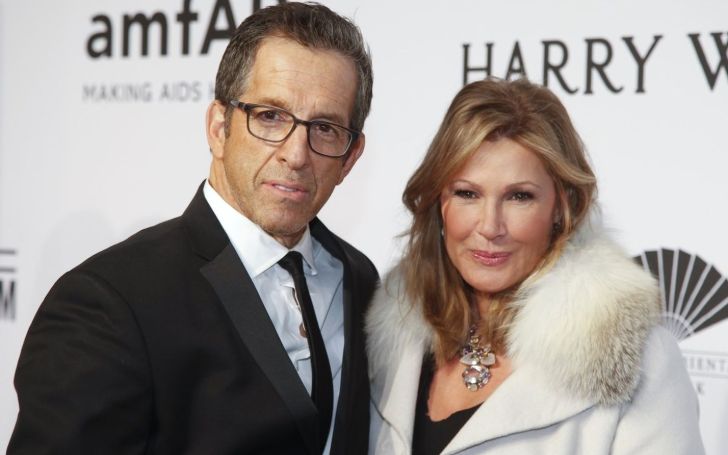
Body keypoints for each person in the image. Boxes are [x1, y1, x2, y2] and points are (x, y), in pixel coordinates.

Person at [9, 3, 376, 454]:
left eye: (324, 128)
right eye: (270, 116)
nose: (296, 154)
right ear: (219, 128)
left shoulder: (359, 280)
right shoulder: (108, 303)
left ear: (350, 156)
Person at [366, 78, 704, 454]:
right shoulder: (387, 340)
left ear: (561, 206)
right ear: (438, 202)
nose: (490, 226)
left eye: (519, 196)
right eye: (467, 193)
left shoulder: (642, 363)